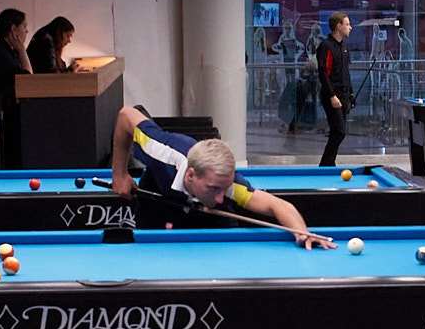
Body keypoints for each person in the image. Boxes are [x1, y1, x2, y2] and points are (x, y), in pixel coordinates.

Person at [109, 105, 335, 249]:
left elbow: (278, 206)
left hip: (210, 218)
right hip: (157, 201)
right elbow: (126, 115)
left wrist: (302, 233)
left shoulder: (228, 185)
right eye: (214, 189)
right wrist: (119, 174)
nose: (220, 197)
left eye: (223, 189)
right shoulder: (161, 150)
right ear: (191, 175)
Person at [316, 11, 355, 167]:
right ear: (339, 26)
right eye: (347, 24)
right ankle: (325, 164)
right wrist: (332, 95)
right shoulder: (326, 46)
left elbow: (346, 71)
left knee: (336, 131)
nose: (350, 27)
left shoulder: (344, 47)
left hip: (344, 93)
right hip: (332, 94)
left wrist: (351, 94)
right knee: (339, 131)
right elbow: (323, 73)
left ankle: (329, 164)